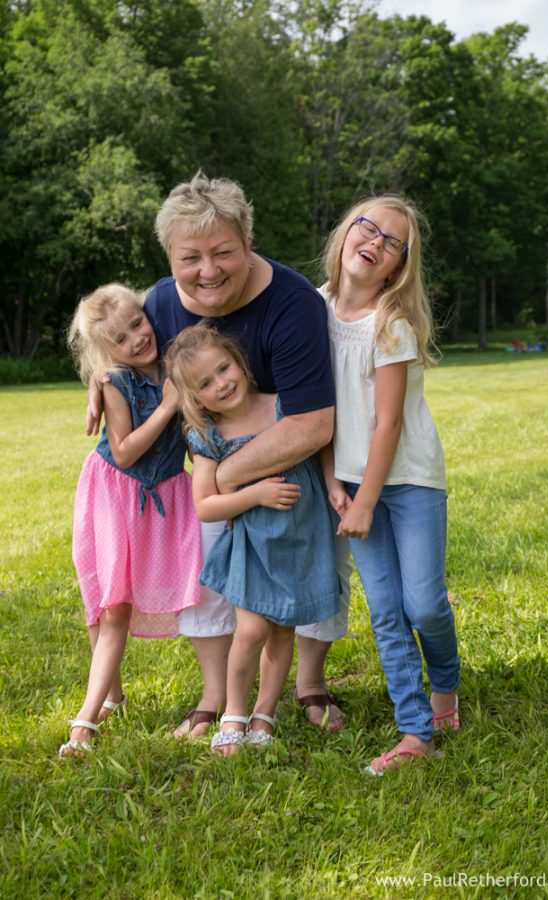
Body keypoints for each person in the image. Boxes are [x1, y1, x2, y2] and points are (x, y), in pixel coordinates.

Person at [87, 169, 351, 736]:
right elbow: (121, 339)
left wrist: (225, 476)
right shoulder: (158, 303)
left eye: (223, 252)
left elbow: (312, 423)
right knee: (207, 578)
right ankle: (215, 697)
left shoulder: (292, 304)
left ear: (247, 241)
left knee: (314, 572)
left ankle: (310, 683)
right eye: (190, 257)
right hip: (208, 476)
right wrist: (102, 377)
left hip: (292, 470)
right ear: (169, 255)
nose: (207, 271)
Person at [319, 197, 460, 774]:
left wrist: (366, 501)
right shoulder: (315, 308)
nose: (375, 240)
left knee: (423, 605)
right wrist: (334, 480)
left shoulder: (390, 323)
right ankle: (414, 730)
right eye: (367, 227)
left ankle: (445, 691)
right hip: (351, 482)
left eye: (392, 241)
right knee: (384, 610)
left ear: (397, 266)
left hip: (409, 482)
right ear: (348, 233)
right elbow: (317, 405)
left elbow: (388, 422)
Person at [165, 325, 339, 753]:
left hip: (300, 538)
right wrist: (254, 494)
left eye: (224, 368)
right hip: (254, 547)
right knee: (251, 629)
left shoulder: (284, 407)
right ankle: (234, 713)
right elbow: (205, 505)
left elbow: (323, 444)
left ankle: (265, 714)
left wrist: (336, 490)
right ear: (196, 399)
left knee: (283, 630)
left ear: (240, 362)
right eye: (206, 383)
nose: (222, 383)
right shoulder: (208, 436)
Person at [60, 284, 204, 757]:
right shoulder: (115, 381)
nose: (137, 339)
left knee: (124, 598)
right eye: (121, 339)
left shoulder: (175, 362)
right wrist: (166, 406)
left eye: (138, 324)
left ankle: (112, 697)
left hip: (163, 493)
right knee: (109, 600)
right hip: (114, 491)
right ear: (108, 352)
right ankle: (88, 716)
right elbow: (122, 451)